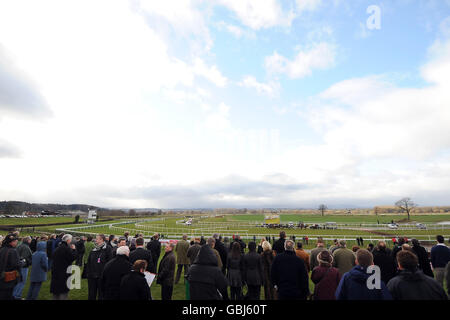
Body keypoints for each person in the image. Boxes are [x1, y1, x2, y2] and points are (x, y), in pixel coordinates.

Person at [50, 234, 77, 300]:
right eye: (70, 240)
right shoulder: (66, 248)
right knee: (63, 292)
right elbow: (72, 257)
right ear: (68, 240)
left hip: (56, 272)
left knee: (56, 292)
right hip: (63, 273)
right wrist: (74, 250)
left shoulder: (58, 248)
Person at [86, 234, 113, 300]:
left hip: (102, 276)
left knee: (101, 294)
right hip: (92, 276)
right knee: (91, 294)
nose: (95, 240)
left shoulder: (108, 248)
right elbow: (89, 262)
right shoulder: (94, 248)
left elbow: (109, 262)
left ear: (101, 239)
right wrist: (89, 273)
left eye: (97, 239)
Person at [0, 234, 21, 300]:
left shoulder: (2, 249)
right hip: (8, 278)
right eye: (15, 241)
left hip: (1, 275)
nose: (16, 242)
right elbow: (16, 264)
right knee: (7, 295)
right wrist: (23, 262)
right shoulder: (13, 251)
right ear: (11, 242)